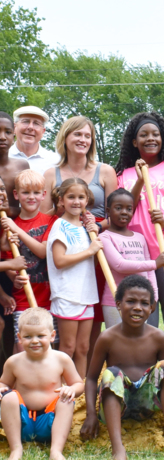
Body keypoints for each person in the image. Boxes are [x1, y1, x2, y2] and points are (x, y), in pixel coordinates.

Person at [80, 275, 164, 460]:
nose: (138, 307)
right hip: (118, 405)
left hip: (148, 403)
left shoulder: (158, 337)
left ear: (152, 308)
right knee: (111, 372)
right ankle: (118, 448)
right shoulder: (107, 338)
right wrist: (90, 415)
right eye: (131, 301)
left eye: (144, 303)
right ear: (119, 304)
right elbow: (91, 379)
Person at [115, 112, 164, 365]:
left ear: (163, 138)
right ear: (134, 141)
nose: (151, 139)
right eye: (144, 135)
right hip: (138, 252)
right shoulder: (124, 174)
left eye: (156, 134)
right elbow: (125, 207)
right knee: (146, 313)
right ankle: (147, 369)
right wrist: (139, 179)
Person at [42, 116, 118, 364]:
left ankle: (87, 383)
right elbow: (45, 219)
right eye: (77, 134)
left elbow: (116, 213)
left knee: (88, 334)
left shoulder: (104, 171)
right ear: (65, 137)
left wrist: (93, 228)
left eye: (87, 135)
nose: (82, 140)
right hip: (70, 248)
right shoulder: (51, 173)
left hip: (96, 245)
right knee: (69, 341)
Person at [0, 307, 84, 460]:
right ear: (19, 337)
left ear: (52, 336)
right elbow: (4, 382)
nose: (34, 341)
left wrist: (71, 389)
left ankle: (56, 451)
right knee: (9, 397)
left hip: (50, 422)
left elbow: (79, 384)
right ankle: (16, 449)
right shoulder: (14, 362)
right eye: (28, 336)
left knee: (65, 399)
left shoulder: (61, 359)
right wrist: (1, 389)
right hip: (22, 423)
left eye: (40, 335)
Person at [47, 178, 102, 377]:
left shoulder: (87, 229)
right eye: (71, 197)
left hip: (86, 293)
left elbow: (91, 263)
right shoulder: (59, 227)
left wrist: (94, 241)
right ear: (61, 200)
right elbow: (59, 261)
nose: (76, 201)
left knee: (83, 348)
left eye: (81, 197)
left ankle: (79, 391)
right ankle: (60, 389)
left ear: (87, 200)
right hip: (67, 294)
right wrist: (90, 251)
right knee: (67, 347)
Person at [0, 170, 58, 354]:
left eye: (36, 192)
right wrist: (13, 277)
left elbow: (42, 252)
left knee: (49, 348)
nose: (31, 197)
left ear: (43, 195)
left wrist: (18, 229)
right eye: (26, 193)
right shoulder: (8, 228)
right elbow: (9, 259)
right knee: (22, 350)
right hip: (23, 299)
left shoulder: (51, 221)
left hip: (50, 300)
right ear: (16, 195)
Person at [100, 188, 164, 328]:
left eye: (129, 209)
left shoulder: (140, 237)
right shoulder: (104, 237)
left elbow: (150, 274)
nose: (124, 212)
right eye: (118, 208)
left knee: (139, 343)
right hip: (115, 301)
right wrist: (155, 263)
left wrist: (153, 297)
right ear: (108, 210)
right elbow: (119, 265)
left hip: (141, 301)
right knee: (118, 344)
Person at [0, 112, 28, 365]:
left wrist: (8, 211)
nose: (2, 137)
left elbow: (26, 209)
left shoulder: (21, 166)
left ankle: (11, 377)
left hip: (13, 249)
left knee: (12, 317)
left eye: (7, 131)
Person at [9, 106, 59, 175]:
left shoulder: (55, 162)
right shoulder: (3, 156)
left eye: (36, 123)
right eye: (26, 121)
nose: (30, 127)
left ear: (43, 131)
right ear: (14, 127)